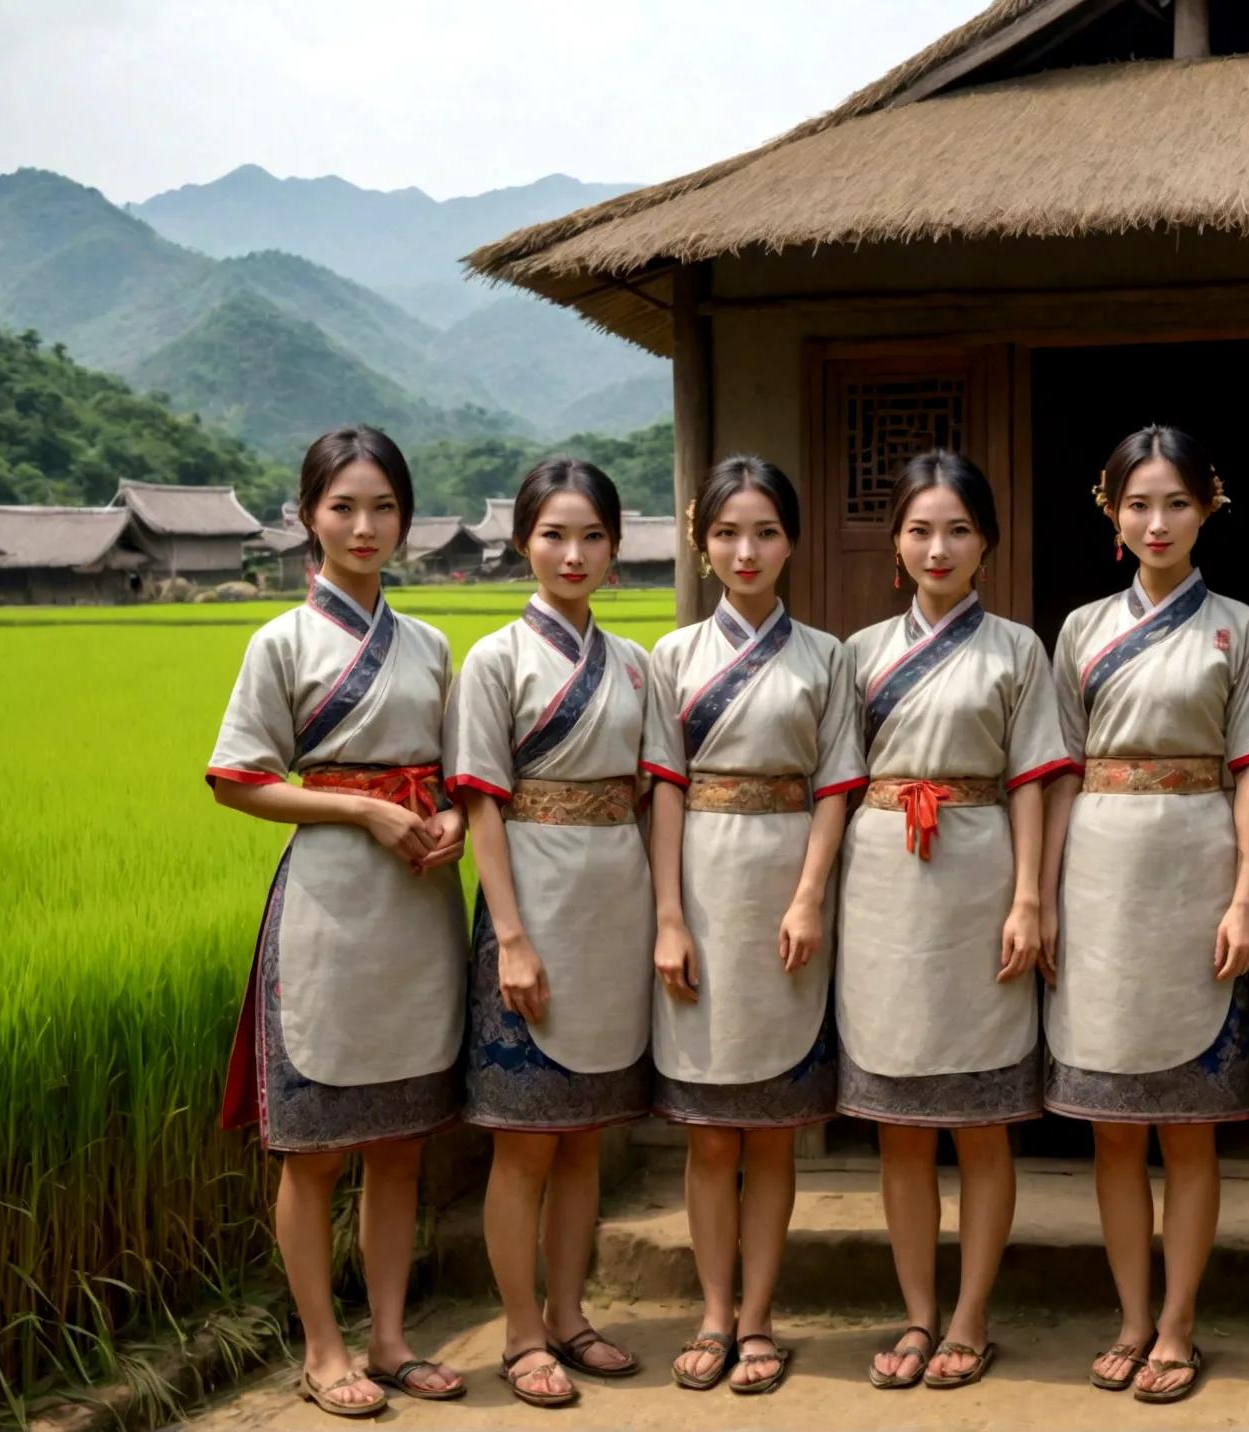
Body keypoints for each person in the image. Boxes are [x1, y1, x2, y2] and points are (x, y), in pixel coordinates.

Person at [207, 427, 468, 1418]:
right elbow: (236, 779)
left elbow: (453, 775)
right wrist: (361, 807)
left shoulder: (432, 643)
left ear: (406, 518)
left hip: (416, 908)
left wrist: (444, 816)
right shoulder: (279, 641)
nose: (365, 526)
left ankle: (392, 1338)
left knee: (400, 1140)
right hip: (328, 903)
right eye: (344, 507)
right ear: (307, 516)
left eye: (384, 508)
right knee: (315, 1150)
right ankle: (324, 1351)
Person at [1042, 424, 1249, 1405]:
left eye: (1175, 503)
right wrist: (1042, 896)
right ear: (1110, 513)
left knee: (1186, 1126)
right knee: (1109, 1125)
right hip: (1096, 880)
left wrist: (1244, 896)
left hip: (1196, 873)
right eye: (1136, 504)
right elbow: (1055, 774)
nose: (1156, 522)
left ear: (1207, 509)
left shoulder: (1241, 628)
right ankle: (1130, 1316)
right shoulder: (1077, 631)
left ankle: (1179, 1325)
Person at [837, 450, 1069, 1392]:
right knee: (898, 1122)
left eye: (959, 530)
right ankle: (917, 1313)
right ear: (896, 541)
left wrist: (1029, 898)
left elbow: (1034, 784)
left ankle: (972, 1316)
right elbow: (837, 785)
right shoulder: (858, 654)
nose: (940, 548)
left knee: (980, 1120)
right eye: (921, 529)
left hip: (979, 879)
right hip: (882, 879)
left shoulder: (1019, 650)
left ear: (988, 544)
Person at [643, 455, 865, 1395]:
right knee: (707, 1129)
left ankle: (762, 1319)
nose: (747, 550)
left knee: (772, 1128)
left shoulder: (828, 657)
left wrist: (811, 895)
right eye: (728, 533)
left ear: (793, 543)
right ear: (701, 544)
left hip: (786, 896)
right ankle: (710, 1312)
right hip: (699, 892)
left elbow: (835, 787)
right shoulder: (672, 658)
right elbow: (662, 791)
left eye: (766, 531)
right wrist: (667, 919)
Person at [445, 458, 653, 1408]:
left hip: (615, 908)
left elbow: (650, 800)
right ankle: (522, 1332)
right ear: (523, 541)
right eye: (555, 534)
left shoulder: (637, 666)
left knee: (584, 1137)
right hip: (531, 906)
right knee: (524, 1140)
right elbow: (483, 808)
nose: (574, 553)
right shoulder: (495, 660)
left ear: (615, 549)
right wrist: (513, 939)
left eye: (593, 536)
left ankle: (572, 1314)